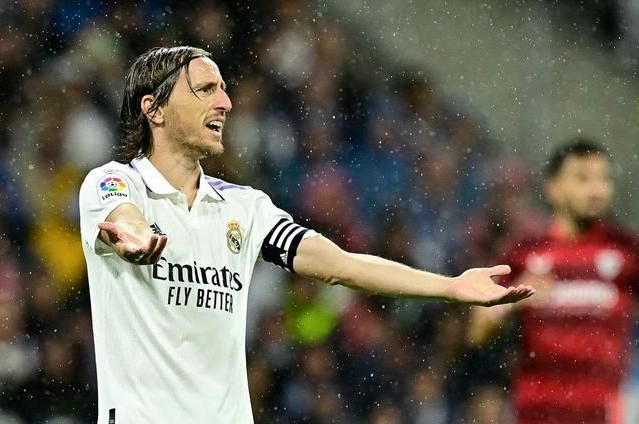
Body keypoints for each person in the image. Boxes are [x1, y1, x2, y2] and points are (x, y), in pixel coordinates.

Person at [78, 46, 534, 424]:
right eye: (205, 89)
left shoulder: (244, 207)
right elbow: (125, 219)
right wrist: (135, 239)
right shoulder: (114, 181)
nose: (225, 103)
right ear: (153, 108)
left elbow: (339, 265)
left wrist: (449, 287)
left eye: (224, 88)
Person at [468, 139, 639, 424]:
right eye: (583, 178)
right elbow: (477, 332)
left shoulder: (627, 250)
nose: (596, 189)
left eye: (604, 179)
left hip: (603, 413)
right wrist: (510, 303)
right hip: (536, 412)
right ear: (553, 188)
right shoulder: (524, 251)